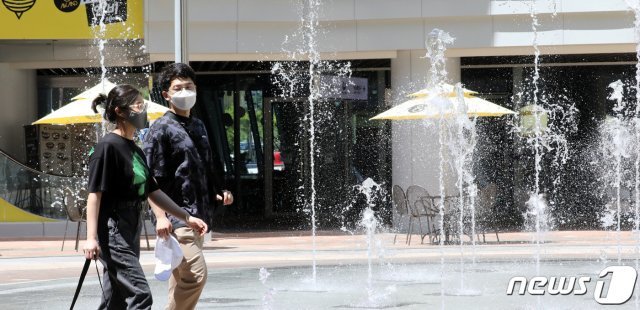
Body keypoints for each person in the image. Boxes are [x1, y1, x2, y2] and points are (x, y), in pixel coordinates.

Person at [82, 84, 208, 309]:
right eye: (138, 106)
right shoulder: (106, 147)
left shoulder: (134, 149)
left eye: (144, 105)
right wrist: (91, 238)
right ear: (121, 112)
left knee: (116, 296)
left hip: (131, 224)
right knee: (140, 294)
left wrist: (186, 217)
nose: (144, 111)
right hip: (112, 227)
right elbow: (94, 196)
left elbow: (154, 191)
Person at [143, 63, 233, 310]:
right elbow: (148, 179)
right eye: (178, 88)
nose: (185, 92)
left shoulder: (198, 125)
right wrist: (161, 216)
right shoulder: (160, 129)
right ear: (166, 94)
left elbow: (201, 166)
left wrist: (217, 190)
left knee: (180, 278)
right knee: (195, 275)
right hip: (176, 217)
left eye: (189, 86)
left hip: (198, 215)